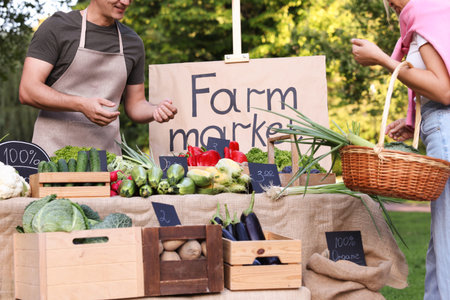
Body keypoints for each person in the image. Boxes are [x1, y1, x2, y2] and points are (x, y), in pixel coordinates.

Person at [351, 0, 450, 299]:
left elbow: (443, 90)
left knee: (447, 243)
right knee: (440, 241)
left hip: (445, 129)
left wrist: (383, 59)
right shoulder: (439, 13)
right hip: (439, 124)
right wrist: (415, 122)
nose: (391, 4)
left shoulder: (424, 13)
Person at [19, 0, 178, 156]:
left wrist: (155, 110)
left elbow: (136, 104)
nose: (126, 2)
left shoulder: (133, 42)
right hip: (53, 156)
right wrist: (81, 104)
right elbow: (28, 90)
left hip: (107, 161)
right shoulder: (58, 27)